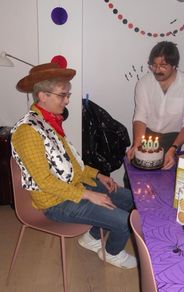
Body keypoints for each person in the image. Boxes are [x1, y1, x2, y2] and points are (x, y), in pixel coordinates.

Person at [11, 63, 137, 269]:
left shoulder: (50, 122)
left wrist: (97, 175)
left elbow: (71, 164)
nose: (68, 100)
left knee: (132, 202)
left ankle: (92, 237)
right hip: (55, 202)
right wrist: (89, 195)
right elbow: (44, 181)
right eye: (63, 95)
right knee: (125, 221)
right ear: (43, 96)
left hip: (74, 187)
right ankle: (113, 253)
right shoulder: (28, 131)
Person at [127, 41, 184, 169]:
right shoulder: (144, 83)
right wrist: (136, 144)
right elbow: (140, 116)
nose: (157, 70)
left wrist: (173, 148)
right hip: (147, 134)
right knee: (137, 170)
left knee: (165, 174)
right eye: (154, 65)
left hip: (173, 138)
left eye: (163, 65)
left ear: (174, 65)